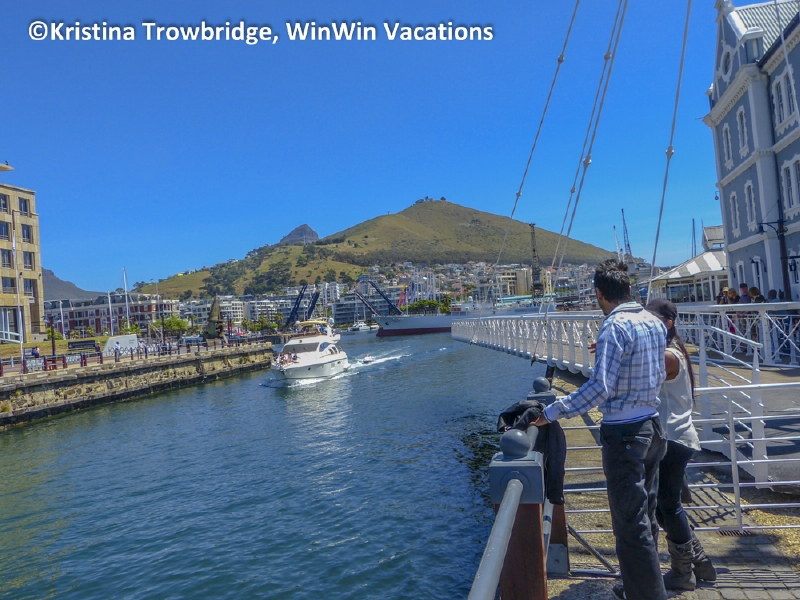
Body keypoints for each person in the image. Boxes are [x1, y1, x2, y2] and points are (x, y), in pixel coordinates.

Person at [534, 260, 668, 600]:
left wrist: (551, 412)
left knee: (630, 523)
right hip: (653, 425)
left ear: (598, 293)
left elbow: (599, 388)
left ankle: (647, 595)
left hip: (625, 433)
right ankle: (638, 586)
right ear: (629, 289)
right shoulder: (653, 322)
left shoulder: (613, 327)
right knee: (646, 515)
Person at [645, 299, 717, 591]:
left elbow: (637, 376)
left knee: (668, 506)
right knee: (663, 508)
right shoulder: (671, 351)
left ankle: (682, 573)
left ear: (668, 323)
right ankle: (697, 560)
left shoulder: (668, 355)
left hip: (673, 438)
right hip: (673, 436)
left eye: (652, 320)